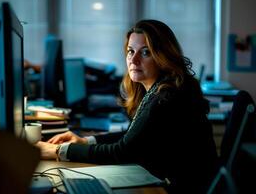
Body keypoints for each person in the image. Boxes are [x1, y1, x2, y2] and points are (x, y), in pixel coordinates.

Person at [36, 19, 218, 193]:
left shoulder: (167, 97)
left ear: (163, 56)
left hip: (184, 188)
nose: (134, 59)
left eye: (145, 52)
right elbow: (134, 136)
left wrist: (59, 150)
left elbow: (123, 150)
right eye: (131, 51)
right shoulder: (160, 88)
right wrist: (86, 141)